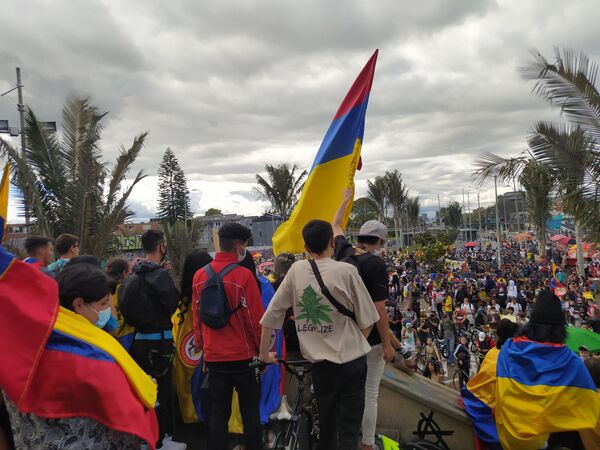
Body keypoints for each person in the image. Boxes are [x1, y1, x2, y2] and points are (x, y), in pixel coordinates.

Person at [0, 258, 159, 449]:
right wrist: (140, 391)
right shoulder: (87, 354)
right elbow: (123, 408)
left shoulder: (21, 344)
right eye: (103, 303)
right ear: (79, 304)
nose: (108, 310)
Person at [258, 219, 379, 450]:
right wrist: (351, 344)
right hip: (352, 362)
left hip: (322, 367)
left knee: (326, 425)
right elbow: (369, 319)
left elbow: (271, 316)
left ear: (305, 247)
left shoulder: (296, 270)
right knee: (349, 428)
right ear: (332, 242)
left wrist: (264, 355)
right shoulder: (347, 271)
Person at [192, 223, 264, 450]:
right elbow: (254, 321)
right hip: (244, 359)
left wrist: (203, 348)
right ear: (239, 246)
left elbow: (197, 318)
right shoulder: (244, 276)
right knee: (250, 414)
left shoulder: (199, 276)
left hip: (214, 359)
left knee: (218, 415)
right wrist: (260, 353)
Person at [332, 189, 394, 450]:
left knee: (343, 395)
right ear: (378, 241)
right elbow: (379, 310)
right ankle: (367, 445)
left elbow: (335, 224)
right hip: (369, 340)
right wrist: (388, 344)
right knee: (370, 395)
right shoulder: (375, 265)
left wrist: (345, 199)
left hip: (343, 336)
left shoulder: (342, 251)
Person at [121, 230, 183, 450]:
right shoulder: (160, 275)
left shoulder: (132, 275)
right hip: (160, 343)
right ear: (162, 247)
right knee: (162, 392)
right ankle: (162, 438)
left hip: (139, 342)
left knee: (145, 392)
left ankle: (147, 438)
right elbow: (172, 304)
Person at [172, 250, 213, 425]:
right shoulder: (212, 294)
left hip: (185, 342)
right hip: (204, 344)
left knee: (186, 379)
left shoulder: (179, 299)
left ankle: (191, 415)